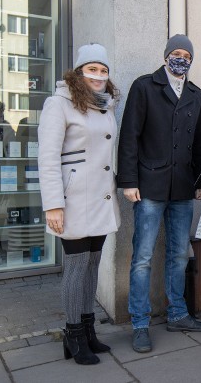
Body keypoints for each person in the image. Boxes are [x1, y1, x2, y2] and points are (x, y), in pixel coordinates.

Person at [117, 34, 201, 354]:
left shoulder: (196, 95)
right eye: (176, 53)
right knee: (142, 257)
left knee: (178, 254)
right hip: (149, 187)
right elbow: (130, 136)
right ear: (166, 55)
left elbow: (200, 143)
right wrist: (129, 181)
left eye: (187, 54)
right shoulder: (144, 87)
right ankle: (140, 322)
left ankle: (178, 314)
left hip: (184, 187)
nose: (181, 58)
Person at [38, 43, 121, 365]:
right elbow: (47, 158)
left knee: (92, 265)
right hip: (72, 201)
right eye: (91, 69)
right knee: (75, 268)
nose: (98, 76)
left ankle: (88, 330)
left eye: (103, 70)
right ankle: (72, 334)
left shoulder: (106, 105)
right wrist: (53, 205)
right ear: (78, 72)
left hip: (100, 198)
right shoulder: (58, 104)